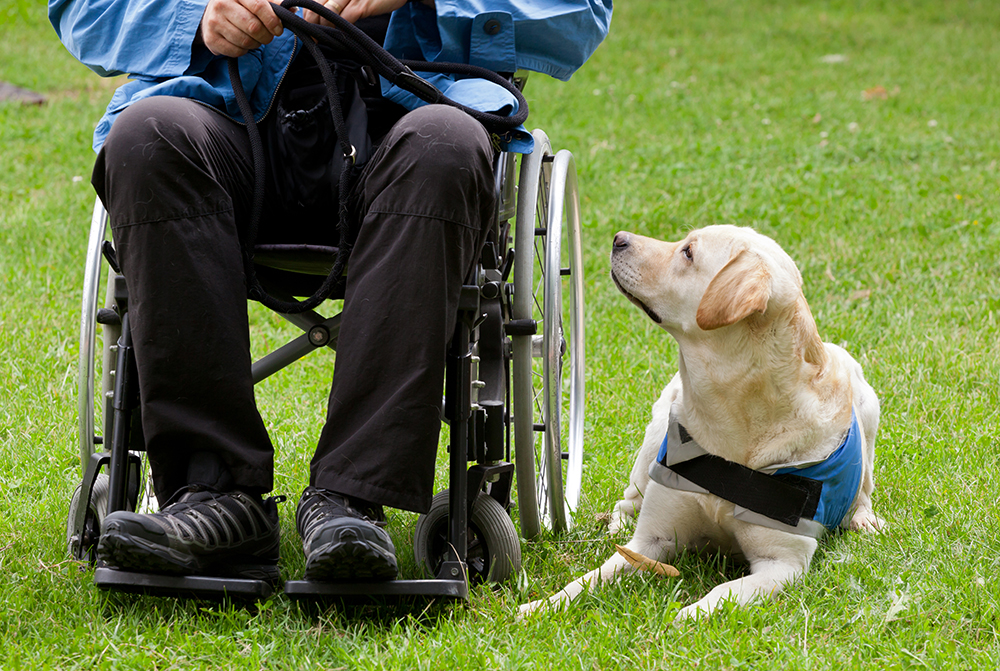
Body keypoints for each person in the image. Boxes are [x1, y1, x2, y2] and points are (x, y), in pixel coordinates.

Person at [50, 0, 612, 583]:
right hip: (230, 119)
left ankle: (349, 500)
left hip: (410, 114)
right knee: (147, 135)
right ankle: (214, 495)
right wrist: (193, 19)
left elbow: (581, 13)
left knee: (446, 141)